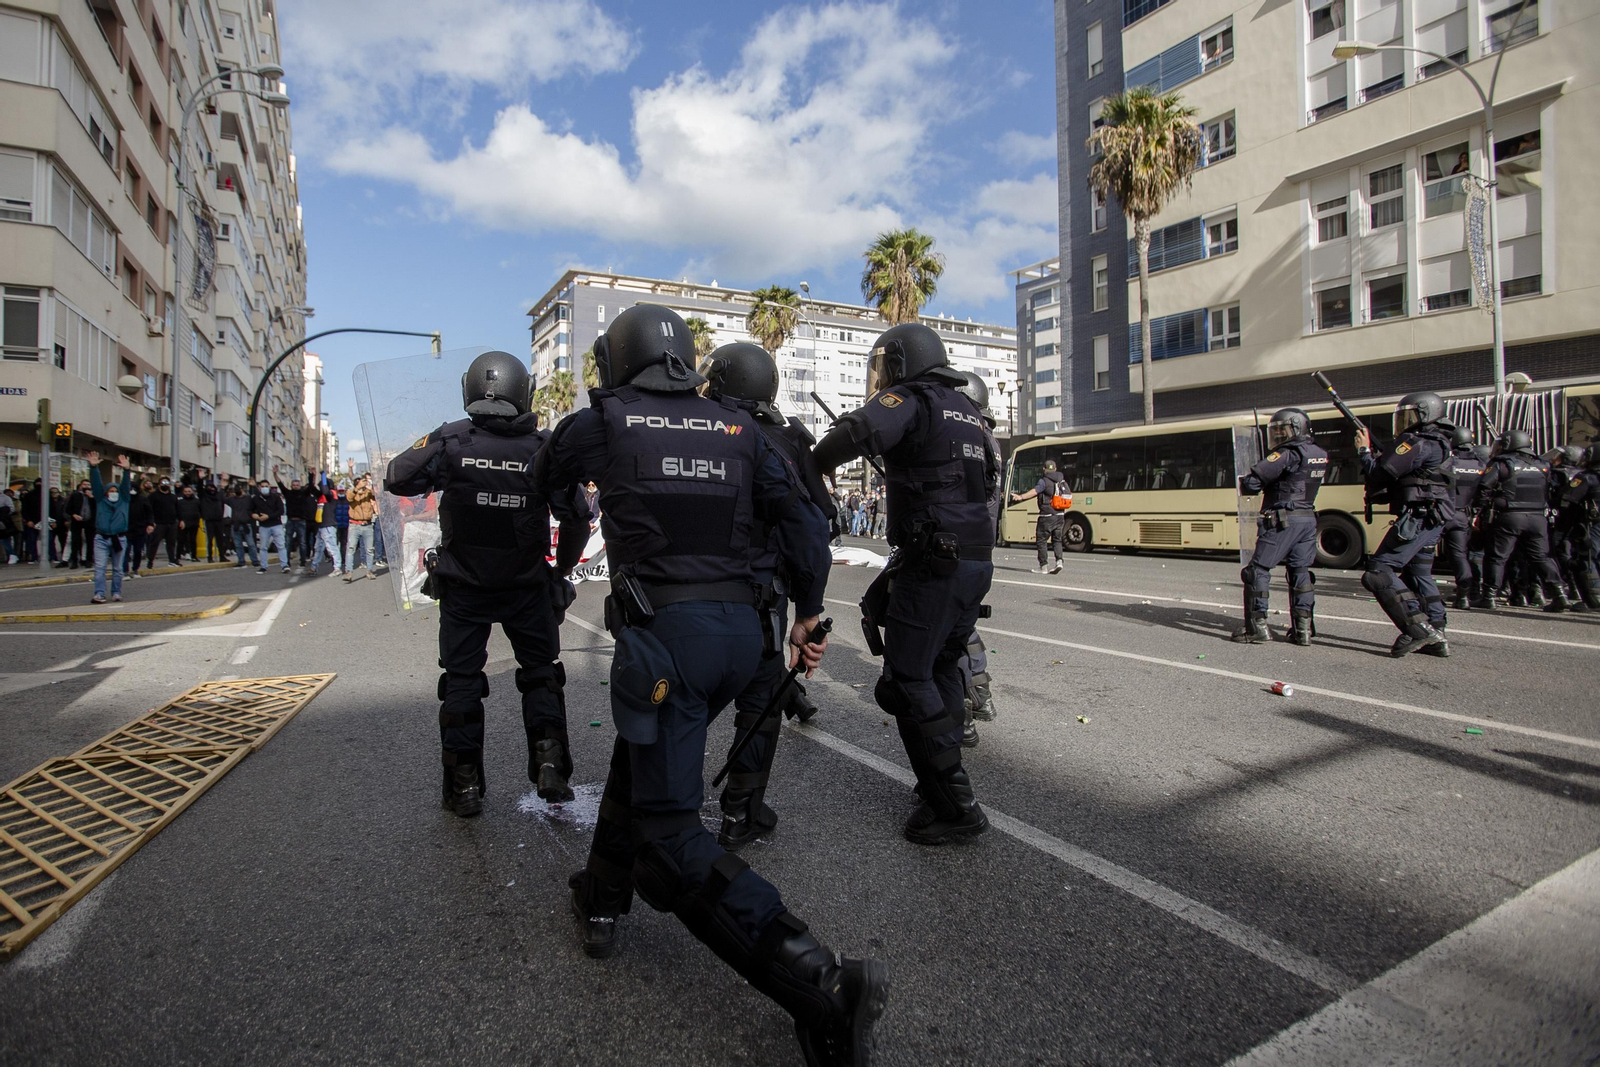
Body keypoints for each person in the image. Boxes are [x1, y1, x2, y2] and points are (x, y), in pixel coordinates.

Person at [534, 307, 882, 1063]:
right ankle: (600, 896)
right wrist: (811, 616)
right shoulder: (738, 428)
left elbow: (544, 479)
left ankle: (820, 985)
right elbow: (807, 527)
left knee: (668, 840)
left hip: (667, 648)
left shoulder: (603, 422)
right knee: (645, 756)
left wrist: (556, 562)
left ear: (617, 359)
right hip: (741, 642)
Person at [814, 321, 995, 844]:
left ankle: (955, 801)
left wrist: (816, 465)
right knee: (941, 669)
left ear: (900, 361)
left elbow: (847, 438)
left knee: (907, 679)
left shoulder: (912, 398)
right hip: (974, 562)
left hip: (932, 561)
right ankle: (936, 781)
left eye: (882, 365)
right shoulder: (967, 410)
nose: (880, 377)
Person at [387, 350, 588, 818]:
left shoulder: (452, 440)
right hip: (527, 586)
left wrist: (440, 441)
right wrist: (562, 572)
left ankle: (464, 786)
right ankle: (551, 767)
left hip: (464, 589)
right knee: (541, 675)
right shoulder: (543, 446)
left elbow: (398, 477)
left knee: (461, 683)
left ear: (470, 389)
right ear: (525, 390)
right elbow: (577, 515)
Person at [697, 342, 835, 850]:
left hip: (688, 593)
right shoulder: (790, 437)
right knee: (759, 706)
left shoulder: (697, 425)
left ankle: (667, 800)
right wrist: (810, 608)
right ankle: (742, 811)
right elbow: (817, 522)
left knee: (685, 704)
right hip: (760, 598)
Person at [1355, 392, 1456, 656]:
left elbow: (1380, 473)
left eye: (1408, 416)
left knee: (1378, 571)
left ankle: (1418, 629)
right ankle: (1438, 633)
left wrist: (1364, 451)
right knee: (1418, 573)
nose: (1403, 423)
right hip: (1432, 516)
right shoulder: (1440, 441)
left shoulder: (1416, 441)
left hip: (1418, 517)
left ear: (1424, 414)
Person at [1232, 408, 1329, 645]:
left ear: (1296, 429)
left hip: (1283, 518)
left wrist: (1249, 478)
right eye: (1274, 431)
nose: (1277, 436)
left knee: (1257, 570)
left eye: (1281, 430)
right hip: (1307, 519)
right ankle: (1303, 630)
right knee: (1300, 572)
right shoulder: (1319, 453)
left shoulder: (1286, 453)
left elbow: (1254, 482)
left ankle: (1257, 627)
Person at [955, 371, 1003, 744]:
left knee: (945, 634)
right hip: (980, 547)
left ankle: (961, 715)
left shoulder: (966, 433)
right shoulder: (989, 438)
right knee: (966, 627)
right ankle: (980, 694)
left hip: (957, 544)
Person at [1473, 430, 1569, 612]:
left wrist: (1480, 510)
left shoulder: (1501, 463)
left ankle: (1489, 597)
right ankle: (1559, 594)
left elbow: (1485, 486)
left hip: (1509, 516)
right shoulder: (1543, 464)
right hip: (1537, 517)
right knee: (1541, 557)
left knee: (1497, 557)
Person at [1441, 427, 1488, 609]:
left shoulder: (1448, 462)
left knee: (1423, 554)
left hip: (1443, 512)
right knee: (1460, 555)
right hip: (1463, 516)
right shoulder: (1481, 465)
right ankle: (1463, 596)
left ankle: (1421, 594)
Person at [84, 452, 130, 604]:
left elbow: (125, 486)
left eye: (116, 491)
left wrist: (127, 470)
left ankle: (116, 592)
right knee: (100, 567)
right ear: (106, 493)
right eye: (111, 491)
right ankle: (99, 594)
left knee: (117, 569)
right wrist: (93, 467)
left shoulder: (124, 500)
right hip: (101, 538)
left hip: (119, 538)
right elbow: (96, 484)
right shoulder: (101, 500)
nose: (114, 493)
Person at [1011, 459, 1069, 574]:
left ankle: (1043, 566)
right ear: (1055, 469)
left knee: (1041, 540)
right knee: (1057, 539)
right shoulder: (1061, 480)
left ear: (1044, 469)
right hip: (1060, 515)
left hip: (1047, 515)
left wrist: (1021, 497)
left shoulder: (1044, 481)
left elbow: (1035, 491)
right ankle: (1059, 561)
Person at [276, 469, 316, 569]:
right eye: (294, 485)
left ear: (300, 485)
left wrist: (312, 475)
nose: (295, 487)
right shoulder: (288, 493)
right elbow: (280, 484)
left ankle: (303, 560)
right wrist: (275, 473)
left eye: (297, 485)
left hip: (301, 521)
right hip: (290, 521)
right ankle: (287, 562)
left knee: (302, 542)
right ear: (291, 486)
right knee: (288, 542)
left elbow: (311, 486)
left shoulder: (303, 493)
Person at [343, 473, 379, 580]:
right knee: (350, 548)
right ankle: (348, 572)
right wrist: (357, 489)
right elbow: (349, 498)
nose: (361, 483)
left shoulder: (368, 493)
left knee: (370, 550)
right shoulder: (351, 492)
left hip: (367, 525)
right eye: (358, 481)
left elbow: (377, 496)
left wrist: (370, 488)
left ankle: (369, 571)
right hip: (354, 524)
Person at [307, 477, 343, 577]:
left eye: (321, 485)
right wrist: (311, 477)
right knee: (318, 548)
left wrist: (323, 475)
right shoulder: (321, 496)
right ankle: (314, 568)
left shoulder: (331, 494)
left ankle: (337, 568)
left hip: (328, 526)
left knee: (332, 548)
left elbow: (325, 491)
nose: (320, 488)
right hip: (321, 526)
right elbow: (312, 489)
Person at [252, 479, 290, 573]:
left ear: (269, 487)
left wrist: (268, 516)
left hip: (276, 525)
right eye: (262, 486)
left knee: (281, 545)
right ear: (259, 488)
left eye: (266, 486)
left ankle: (284, 565)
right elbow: (251, 510)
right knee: (263, 547)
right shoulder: (256, 499)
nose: (264, 488)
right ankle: (263, 566)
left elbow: (280, 511)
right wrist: (254, 515)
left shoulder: (276, 497)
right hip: (263, 526)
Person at [223, 480, 259, 569]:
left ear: (243, 490)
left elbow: (258, 497)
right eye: (236, 490)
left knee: (251, 544)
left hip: (246, 524)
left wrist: (254, 487)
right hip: (235, 525)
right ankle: (241, 561)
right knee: (238, 545)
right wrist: (223, 488)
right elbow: (222, 498)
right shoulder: (231, 500)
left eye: (239, 489)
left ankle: (255, 561)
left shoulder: (248, 498)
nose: (238, 491)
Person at [147, 478, 181, 568]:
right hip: (159, 523)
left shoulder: (173, 497)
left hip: (172, 523)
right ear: (159, 485)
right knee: (154, 543)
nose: (165, 485)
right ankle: (150, 562)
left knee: (171, 543)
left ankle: (172, 560)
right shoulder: (153, 496)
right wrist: (151, 522)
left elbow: (177, 509)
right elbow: (149, 510)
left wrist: (181, 520)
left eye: (167, 483)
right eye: (163, 483)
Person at [126, 479, 153, 578]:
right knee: (126, 551)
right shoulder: (125, 500)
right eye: (131, 488)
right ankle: (125, 570)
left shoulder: (143, 500)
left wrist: (150, 524)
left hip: (140, 529)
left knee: (138, 551)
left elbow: (149, 512)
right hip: (126, 530)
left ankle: (135, 569)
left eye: (134, 489)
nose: (132, 490)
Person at [199, 476, 229, 562]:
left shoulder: (218, 496)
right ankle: (210, 557)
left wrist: (223, 486)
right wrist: (200, 479)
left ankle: (222, 556)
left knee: (220, 539)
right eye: (209, 487)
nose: (211, 489)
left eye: (212, 487)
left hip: (219, 520)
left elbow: (222, 494)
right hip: (209, 520)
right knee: (210, 539)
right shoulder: (204, 496)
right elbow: (199, 489)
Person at [66, 478, 93, 568]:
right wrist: (74, 515)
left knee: (89, 541)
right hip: (77, 521)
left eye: (88, 485)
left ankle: (88, 560)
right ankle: (74, 561)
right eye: (84, 485)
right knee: (75, 541)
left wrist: (91, 498)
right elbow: (68, 509)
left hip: (89, 522)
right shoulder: (75, 495)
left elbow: (97, 508)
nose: (86, 487)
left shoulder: (93, 496)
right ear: (81, 486)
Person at [175, 483, 201, 561]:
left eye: (189, 491)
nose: (187, 493)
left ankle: (194, 556)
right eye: (185, 491)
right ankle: (178, 556)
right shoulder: (180, 501)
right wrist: (180, 520)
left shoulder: (197, 501)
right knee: (181, 540)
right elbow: (177, 512)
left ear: (192, 491)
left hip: (194, 523)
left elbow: (200, 510)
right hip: (183, 523)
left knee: (193, 540)